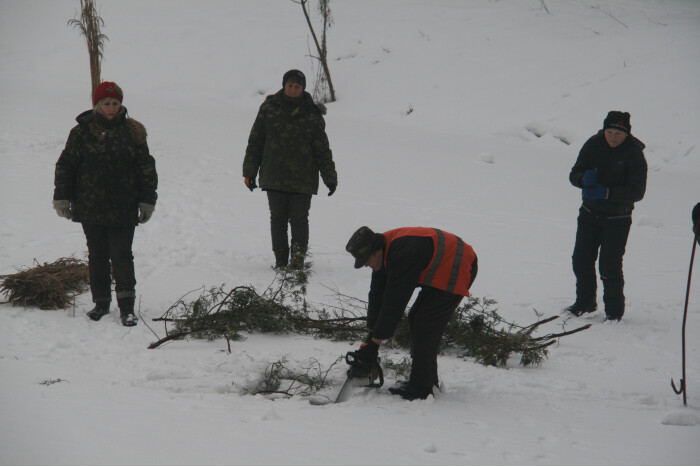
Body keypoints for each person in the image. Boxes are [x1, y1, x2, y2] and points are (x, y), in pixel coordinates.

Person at [53, 81, 158, 327]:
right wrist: (62, 197)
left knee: (122, 256)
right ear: (97, 105)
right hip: (90, 206)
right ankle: (100, 303)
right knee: (98, 256)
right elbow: (66, 165)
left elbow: (145, 168)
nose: (111, 108)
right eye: (106, 103)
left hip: (123, 206)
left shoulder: (134, 131)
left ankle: (127, 307)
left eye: (115, 103)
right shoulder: (81, 132)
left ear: (121, 104)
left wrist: (147, 201)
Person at [345, 226, 478, 400]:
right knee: (418, 318)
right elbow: (378, 296)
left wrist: (375, 343)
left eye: (366, 260)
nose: (367, 265)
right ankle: (425, 380)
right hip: (442, 266)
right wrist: (371, 337)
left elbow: (395, 301)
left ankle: (421, 388)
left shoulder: (401, 254)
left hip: (458, 266)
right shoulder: (383, 253)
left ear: (376, 250)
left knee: (424, 323)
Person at [242, 69, 337, 269]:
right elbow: (256, 141)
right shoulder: (269, 108)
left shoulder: (312, 113)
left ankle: (297, 261)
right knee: (277, 219)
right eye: (290, 85)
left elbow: (322, 149)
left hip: (302, 179)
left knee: (299, 219)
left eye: (297, 86)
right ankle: (280, 260)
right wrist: (249, 172)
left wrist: (330, 177)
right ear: (284, 86)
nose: (293, 89)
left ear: (302, 89)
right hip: (273, 176)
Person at [566, 111, 647, 322]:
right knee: (581, 259)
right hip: (589, 214)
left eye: (618, 134)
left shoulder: (635, 154)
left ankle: (614, 312)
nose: (612, 137)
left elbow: (637, 191)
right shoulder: (593, 143)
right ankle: (585, 302)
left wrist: (607, 192)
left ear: (627, 134)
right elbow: (574, 173)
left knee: (609, 265)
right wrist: (583, 179)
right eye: (609, 132)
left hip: (617, 220)